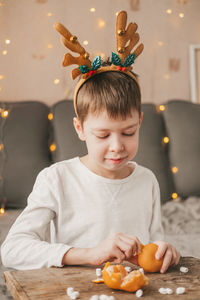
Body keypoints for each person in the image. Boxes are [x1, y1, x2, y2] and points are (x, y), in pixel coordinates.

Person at [1, 11, 180, 272]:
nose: (117, 145)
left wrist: (165, 251)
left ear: (140, 122)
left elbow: (152, 247)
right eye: (103, 135)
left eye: (128, 132)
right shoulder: (57, 179)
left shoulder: (147, 181)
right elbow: (13, 250)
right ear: (80, 128)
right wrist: (89, 253)